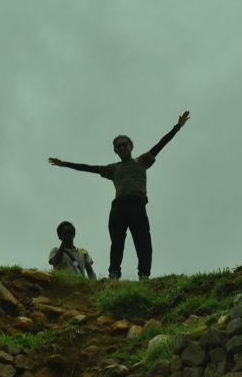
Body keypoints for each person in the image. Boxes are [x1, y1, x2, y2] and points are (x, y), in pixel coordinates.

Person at [49, 110, 190, 280]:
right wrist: (64, 164)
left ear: (131, 146)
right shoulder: (113, 168)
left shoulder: (142, 160)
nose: (122, 147)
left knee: (143, 240)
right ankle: (114, 274)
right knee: (117, 243)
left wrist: (177, 127)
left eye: (125, 144)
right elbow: (89, 168)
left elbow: (160, 145)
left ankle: (144, 275)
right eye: (118, 146)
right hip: (119, 207)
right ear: (115, 150)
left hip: (137, 204)